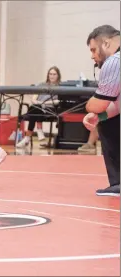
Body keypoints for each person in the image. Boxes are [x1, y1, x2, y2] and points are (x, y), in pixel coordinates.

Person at [83, 25, 120, 197]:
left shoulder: (114, 61)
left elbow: (97, 105)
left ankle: (118, 183)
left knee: (107, 123)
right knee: (105, 119)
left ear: (105, 43)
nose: (92, 56)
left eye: (93, 50)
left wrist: (92, 109)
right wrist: (100, 116)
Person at [16, 66, 61, 148]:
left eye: (54, 74)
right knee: (35, 108)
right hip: (38, 107)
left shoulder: (60, 87)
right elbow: (33, 98)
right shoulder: (41, 84)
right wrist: (39, 103)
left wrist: (45, 103)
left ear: (58, 75)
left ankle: (27, 138)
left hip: (49, 109)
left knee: (33, 111)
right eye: (50, 74)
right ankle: (39, 131)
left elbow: (58, 101)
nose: (52, 76)